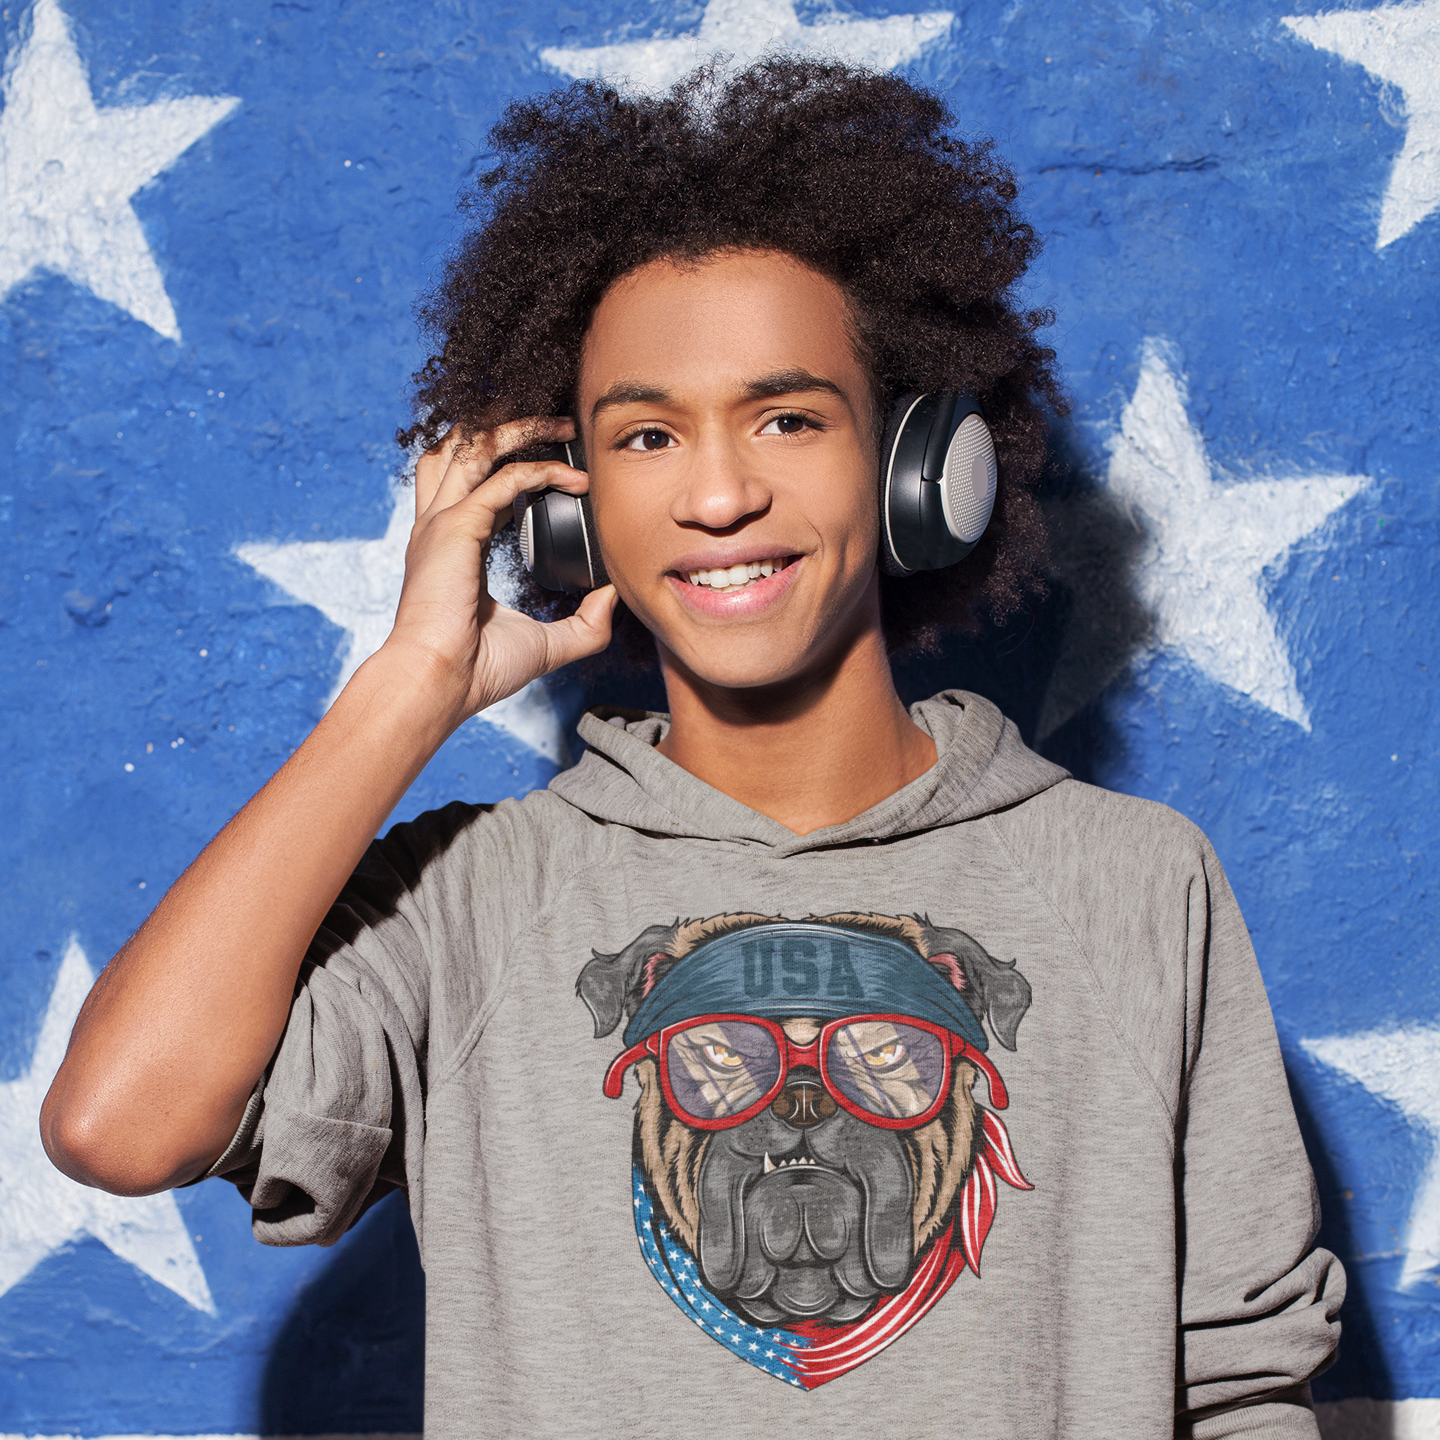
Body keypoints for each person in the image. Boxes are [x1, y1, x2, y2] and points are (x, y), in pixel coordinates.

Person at [41, 58, 1342, 1438]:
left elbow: (1244, 1380)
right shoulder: (476, 897)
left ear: (920, 468)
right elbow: (121, 1122)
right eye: (648, 435)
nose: (720, 494)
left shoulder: (1136, 882)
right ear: (570, 507)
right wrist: (411, 687)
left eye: (787, 417)